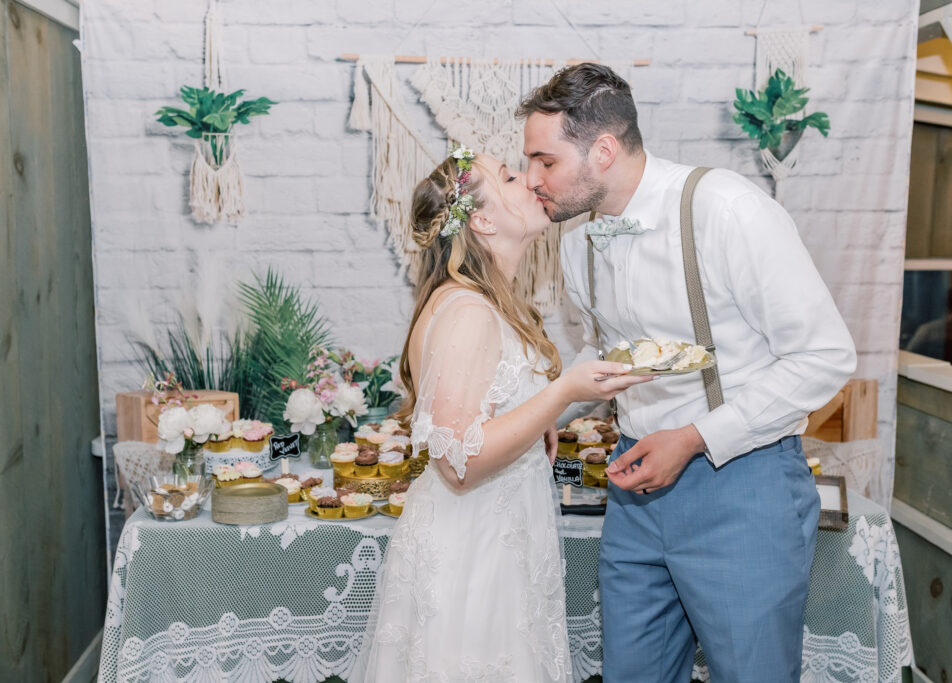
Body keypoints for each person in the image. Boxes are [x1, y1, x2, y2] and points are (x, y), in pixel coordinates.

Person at [517, 64, 857, 682]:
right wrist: (546, 414)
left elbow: (825, 355)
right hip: (635, 490)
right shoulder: (574, 242)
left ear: (603, 149)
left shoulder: (726, 210)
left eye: (545, 162)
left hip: (744, 486)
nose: (531, 180)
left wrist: (696, 439)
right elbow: (605, 360)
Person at [350, 146, 651, 682]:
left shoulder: (485, 303)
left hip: (498, 544)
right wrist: (558, 396)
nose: (531, 179)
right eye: (511, 176)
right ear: (482, 219)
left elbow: (484, 421)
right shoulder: (468, 311)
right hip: (473, 561)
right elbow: (458, 465)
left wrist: (538, 421)